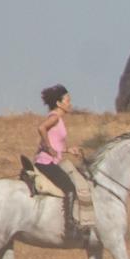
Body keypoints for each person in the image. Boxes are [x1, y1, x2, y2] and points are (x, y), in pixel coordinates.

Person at [33, 84, 86, 240]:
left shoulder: (59, 119)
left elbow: (56, 144)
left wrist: (68, 150)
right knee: (70, 188)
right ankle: (69, 228)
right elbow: (41, 128)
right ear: (59, 103)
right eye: (67, 100)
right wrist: (48, 147)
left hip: (51, 161)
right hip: (45, 162)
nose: (70, 103)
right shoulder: (55, 117)